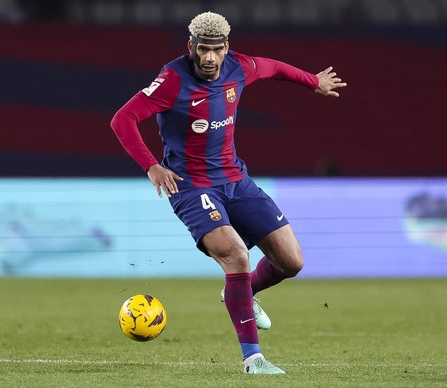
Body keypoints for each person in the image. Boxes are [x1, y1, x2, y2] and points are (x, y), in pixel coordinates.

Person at [111, 11, 346, 374]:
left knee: (292, 261)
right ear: (191, 47)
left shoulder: (240, 67)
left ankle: (243, 292)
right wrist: (151, 166)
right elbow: (122, 119)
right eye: (202, 49)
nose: (209, 57)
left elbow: (273, 67)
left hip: (236, 180)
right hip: (191, 186)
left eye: (216, 50)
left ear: (226, 49)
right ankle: (254, 358)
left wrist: (312, 80)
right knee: (236, 255)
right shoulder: (172, 80)